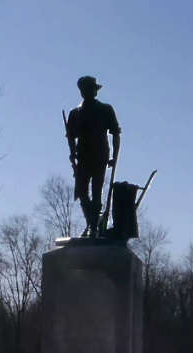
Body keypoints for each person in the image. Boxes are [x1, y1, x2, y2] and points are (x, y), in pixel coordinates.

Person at [65, 75, 120, 237]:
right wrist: (72, 153)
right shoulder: (75, 113)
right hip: (82, 157)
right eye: (87, 90)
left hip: (100, 156)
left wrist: (115, 156)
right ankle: (92, 222)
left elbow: (116, 133)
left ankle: (93, 226)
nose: (90, 93)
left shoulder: (105, 109)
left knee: (96, 191)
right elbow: (71, 137)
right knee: (81, 192)